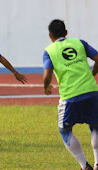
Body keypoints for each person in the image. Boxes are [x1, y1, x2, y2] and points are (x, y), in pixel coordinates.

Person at [43, 19, 98, 170]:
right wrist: (92, 73)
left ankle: (84, 165)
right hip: (92, 92)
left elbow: (47, 74)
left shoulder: (49, 51)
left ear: (50, 36)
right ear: (66, 33)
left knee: (65, 130)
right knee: (95, 125)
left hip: (70, 96)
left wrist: (46, 86)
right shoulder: (80, 43)